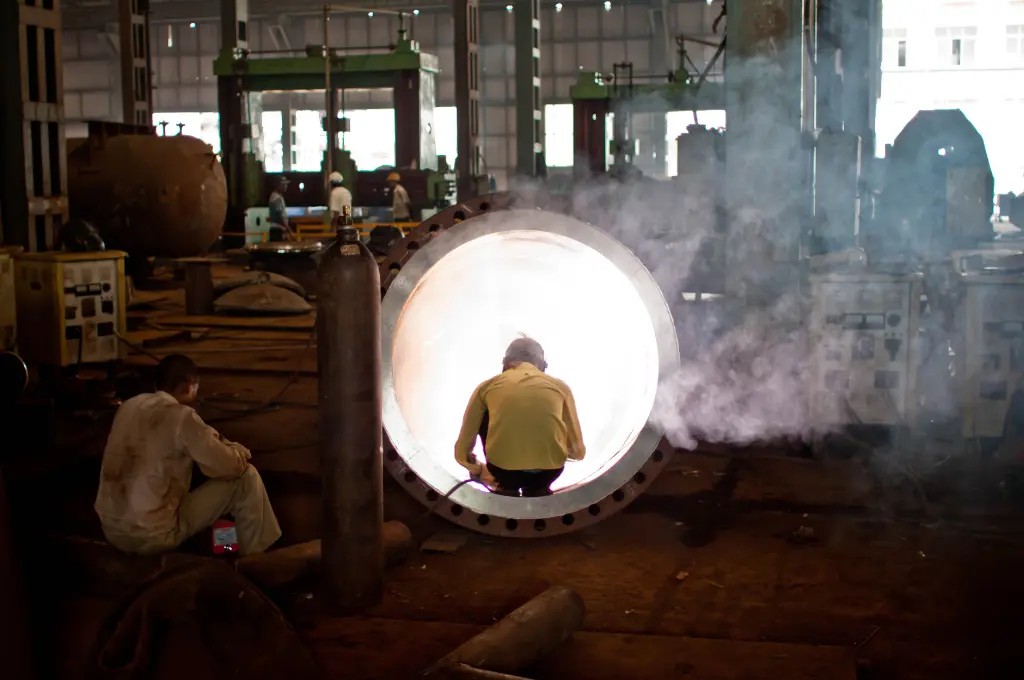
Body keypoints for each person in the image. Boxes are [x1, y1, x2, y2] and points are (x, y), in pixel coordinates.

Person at [94, 355, 282, 556]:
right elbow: (230, 467)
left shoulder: (127, 407)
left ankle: (225, 546)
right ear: (189, 386)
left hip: (112, 530)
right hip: (151, 536)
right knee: (246, 479)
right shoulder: (182, 417)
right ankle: (253, 561)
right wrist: (238, 452)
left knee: (212, 514)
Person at [453, 337, 586, 497]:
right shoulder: (561, 387)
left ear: (505, 363)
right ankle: (539, 488)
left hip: (503, 471)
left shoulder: (487, 387)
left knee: (486, 412)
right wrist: (549, 452)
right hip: (549, 472)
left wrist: (478, 470)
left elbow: (462, 452)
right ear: (543, 366)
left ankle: (505, 487)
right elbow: (578, 452)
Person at [268, 176, 294, 241]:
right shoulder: (277, 198)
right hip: (278, 231)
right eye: (284, 184)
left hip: (277, 230)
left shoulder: (275, 196)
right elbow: (279, 216)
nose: (286, 186)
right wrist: (289, 231)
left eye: (286, 184)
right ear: (278, 185)